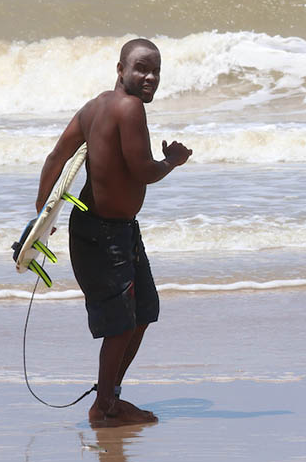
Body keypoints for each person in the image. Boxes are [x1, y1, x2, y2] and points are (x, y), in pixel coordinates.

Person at [35, 38, 192, 427]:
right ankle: (104, 408)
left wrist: (44, 210)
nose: (150, 77)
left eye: (156, 70)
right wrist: (171, 160)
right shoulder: (130, 107)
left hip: (110, 230)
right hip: (104, 235)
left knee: (143, 313)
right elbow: (143, 171)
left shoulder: (93, 108)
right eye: (141, 68)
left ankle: (110, 399)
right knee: (122, 325)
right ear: (120, 69)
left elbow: (57, 156)